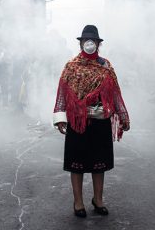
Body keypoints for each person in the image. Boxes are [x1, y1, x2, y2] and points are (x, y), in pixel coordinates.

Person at [53, 25, 130, 218]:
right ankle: (78, 202)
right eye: (86, 41)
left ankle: (98, 199)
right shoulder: (71, 66)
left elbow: (115, 94)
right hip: (77, 121)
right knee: (76, 163)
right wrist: (60, 118)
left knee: (99, 163)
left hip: (100, 120)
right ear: (80, 43)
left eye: (93, 41)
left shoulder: (106, 66)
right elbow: (62, 93)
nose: (89, 44)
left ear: (98, 44)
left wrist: (122, 116)